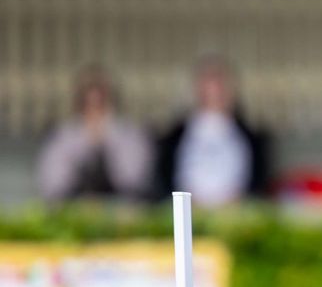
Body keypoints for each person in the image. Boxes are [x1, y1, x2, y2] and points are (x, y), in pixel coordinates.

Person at [155, 54, 271, 206]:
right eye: (208, 83)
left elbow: (258, 181)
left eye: (220, 84)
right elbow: (164, 177)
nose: (214, 91)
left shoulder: (254, 138)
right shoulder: (173, 137)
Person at [36, 65, 154, 203]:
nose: (95, 111)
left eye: (101, 104)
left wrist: (106, 138)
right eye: (88, 104)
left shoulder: (130, 134)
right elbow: (53, 183)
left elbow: (134, 179)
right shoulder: (64, 136)